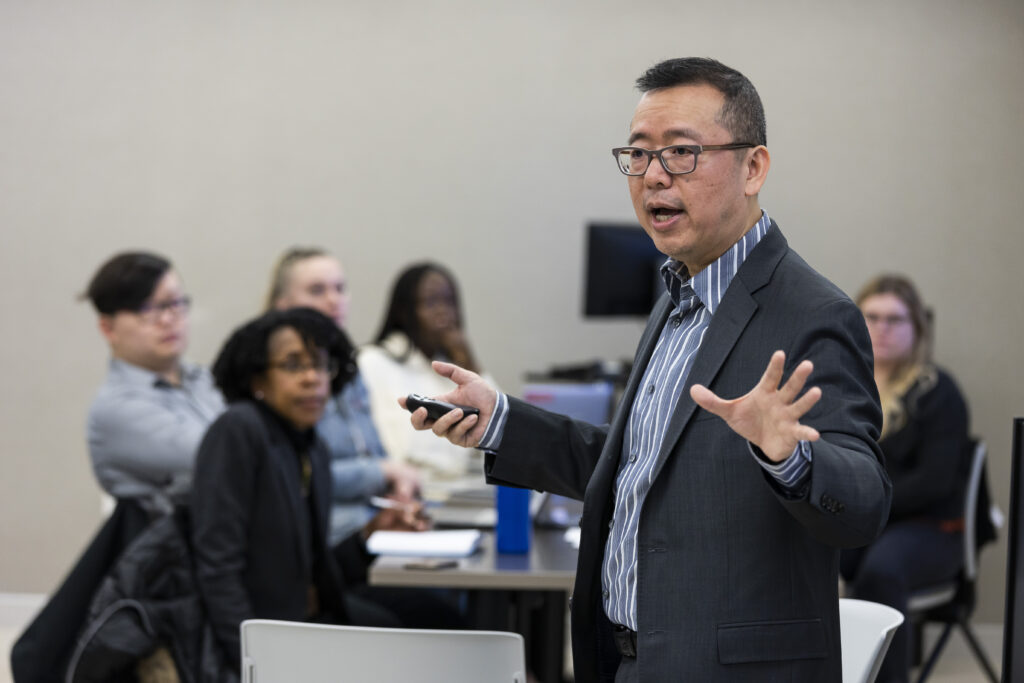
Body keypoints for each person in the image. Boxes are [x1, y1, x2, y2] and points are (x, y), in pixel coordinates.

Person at [405, 57, 892, 682]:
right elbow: (636, 470)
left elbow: (865, 506)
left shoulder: (813, 314)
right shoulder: (675, 298)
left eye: (682, 153)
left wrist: (789, 458)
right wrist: (501, 421)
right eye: (638, 155)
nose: (654, 176)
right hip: (629, 661)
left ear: (754, 167)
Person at [191, 308, 459, 672]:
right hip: (264, 636)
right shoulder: (239, 430)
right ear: (258, 380)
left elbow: (319, 574)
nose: (312, 378)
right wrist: (252, 663)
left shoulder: (309, 445)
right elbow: (217, 570)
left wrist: (370, 534)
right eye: (292, 365)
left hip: (308, 620)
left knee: (439, 620)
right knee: (407, 651)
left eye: (321, 365)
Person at [841, 274, 971, 683]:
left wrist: (864, 503)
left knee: (881, 568)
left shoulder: (938, 391)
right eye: (872, 316)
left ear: (916, 328)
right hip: (865, 525)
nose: (882, 328)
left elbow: (936, 480)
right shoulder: (843, 386)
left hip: (932, 530)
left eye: (895, 320)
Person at [266, 247, 420, 543]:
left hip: (372, 519)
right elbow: (297, 474)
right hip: (321, 532)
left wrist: (399, 491)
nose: (333, 300)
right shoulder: (275, 375)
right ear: (283, 305)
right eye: (317, 290)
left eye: (340, 289)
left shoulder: (349, 367)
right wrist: (382, 472)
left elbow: (373, 450)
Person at [83, 251, 224, 515]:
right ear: (108, 328)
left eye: (175, 303)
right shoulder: (116, 410)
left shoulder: (205, 378)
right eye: (146, 309)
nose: (168, 319)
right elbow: (221, 459)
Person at [360, 262, 493, 480]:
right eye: (431, 302)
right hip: (401, 491)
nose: (444, 312)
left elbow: (498, 429)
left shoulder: (454, 366)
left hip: (458, 490)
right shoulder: (372, 361)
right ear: (404, 312)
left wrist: (470, 363)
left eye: (449, 301)